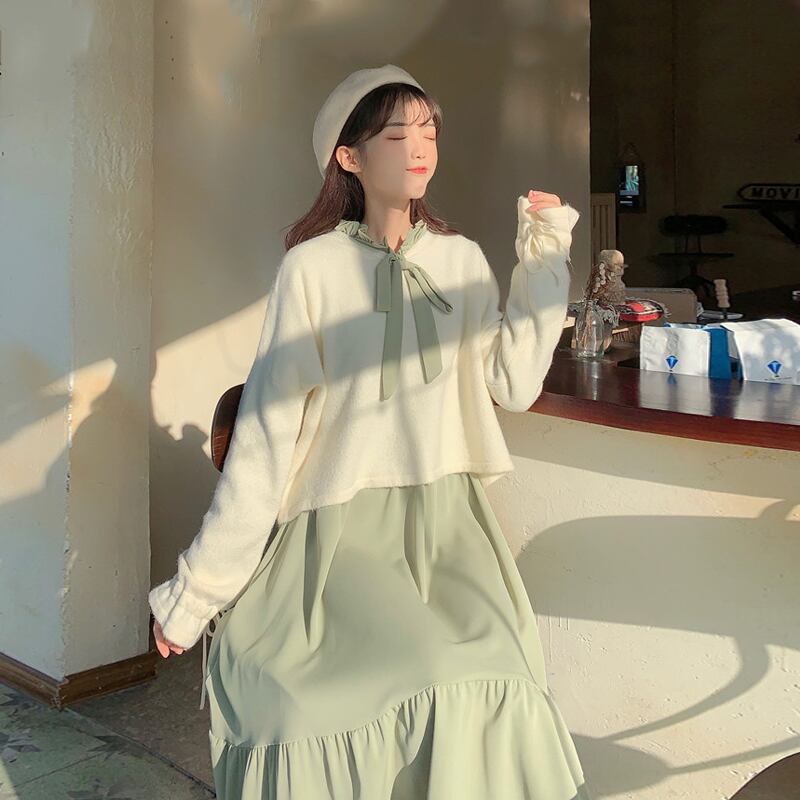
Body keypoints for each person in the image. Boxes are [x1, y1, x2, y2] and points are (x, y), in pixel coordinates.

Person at [149, 63, 591, 800]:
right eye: (395, 134)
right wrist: (196, 595)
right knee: (324, 702)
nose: (419, 148)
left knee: (488, 679)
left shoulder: (460, 260)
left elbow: (513, 385)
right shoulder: (312, 271)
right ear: (348, 157)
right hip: (336, 542)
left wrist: (543, 257)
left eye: (429, 132)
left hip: (449, 533)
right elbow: (263, 444)